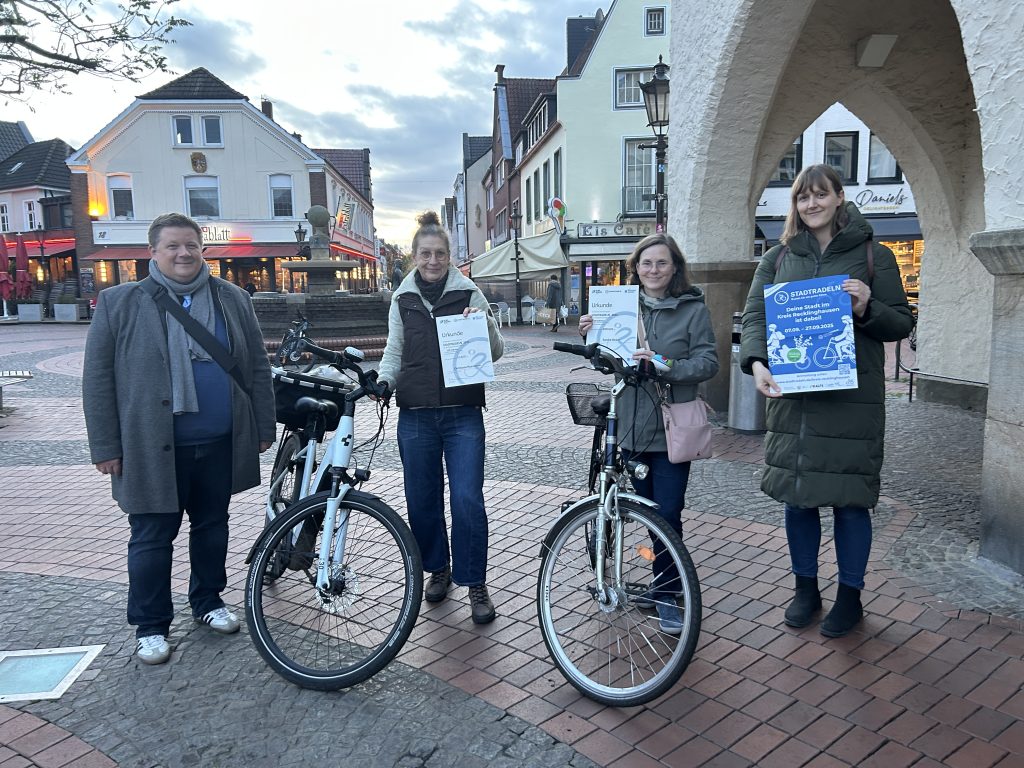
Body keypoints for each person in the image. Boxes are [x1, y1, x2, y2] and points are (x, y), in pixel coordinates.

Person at [83, 212, 276, 665]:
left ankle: (208, 601)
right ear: (152, 253)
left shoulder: (232, 299)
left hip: (219, 441)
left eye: (190, 244)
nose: (183, 253)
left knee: (212, 527)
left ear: (203, 248)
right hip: (150, 446)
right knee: (151, 536)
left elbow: (256, 368)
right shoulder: (120, 302)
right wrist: (106, 446)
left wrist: (263, 427)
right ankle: (150, 625)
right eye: (172, 246)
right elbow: (97, 380)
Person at [740, 164, 913, 638]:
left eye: (820, 195)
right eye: (802, 197)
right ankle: (806, 589)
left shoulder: (875, 255)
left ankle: (850, 597)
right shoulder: (777, 258)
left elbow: (900, 323)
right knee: (799, 501)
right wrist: (756, 364)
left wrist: (866, 306)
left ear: (840, 197)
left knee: (850, 502)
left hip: (850, 400)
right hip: (795, 400)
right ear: (794, 205)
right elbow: (755, 317)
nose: (811, 204)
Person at [578, 233, 718, 634]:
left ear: (674, 267)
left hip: (672, 428)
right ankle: (661, 585)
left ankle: (668, 593)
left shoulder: (692, 309)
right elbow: (605, 365)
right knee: (644, 512)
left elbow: (708, 361)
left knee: (668, 515)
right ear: (635, 267)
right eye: (645, 263)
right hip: (632, 427)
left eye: (661, 263)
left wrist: (664, 364)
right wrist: (591, 336)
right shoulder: (622, 306)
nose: (653, 270)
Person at [378, 211, 505, 624]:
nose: (433, 261)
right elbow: (394, 350)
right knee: (421, 500)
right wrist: (383, 380)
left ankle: (475, 581)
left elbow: (497, 350)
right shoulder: (403, 299)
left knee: (468, 497)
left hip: (462, 414)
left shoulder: (469, 294)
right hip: (415, 415)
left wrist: (482, 326)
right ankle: (439, 569)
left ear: (450, 256)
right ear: (414, 256)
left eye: (440, 254)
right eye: (425, 254)